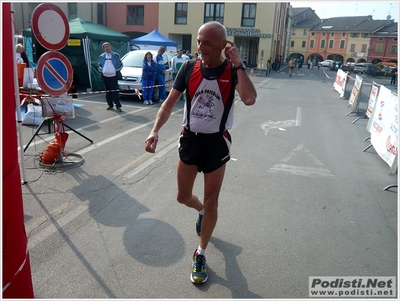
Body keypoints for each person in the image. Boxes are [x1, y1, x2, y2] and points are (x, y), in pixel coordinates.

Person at [144, 21, 257, 284]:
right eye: (198, 41)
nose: (200, 47)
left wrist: (238, 61)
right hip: (191, 141)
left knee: (212, 201)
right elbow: (169, 103)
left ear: (222, 44)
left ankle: (200, 252)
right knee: (183, 196)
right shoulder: (188, 68)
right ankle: (202, 213)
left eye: (207, 42)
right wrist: (155, 130)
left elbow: (249, 98)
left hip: (217, 143)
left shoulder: (231, 69)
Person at [98, 42, 123, 112]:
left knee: (115, 92)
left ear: (110, 47)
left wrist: (115, 70)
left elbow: (120, 64)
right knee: (108, 92)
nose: (107, 48)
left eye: (108, 46)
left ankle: (118, 106)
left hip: (113, 77)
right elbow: (99, 65)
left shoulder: (115, 55)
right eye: (105, 47)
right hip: (105, 77)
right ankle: (110, 105)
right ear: (103, 49)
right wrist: (102, 70)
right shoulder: (102, 56)